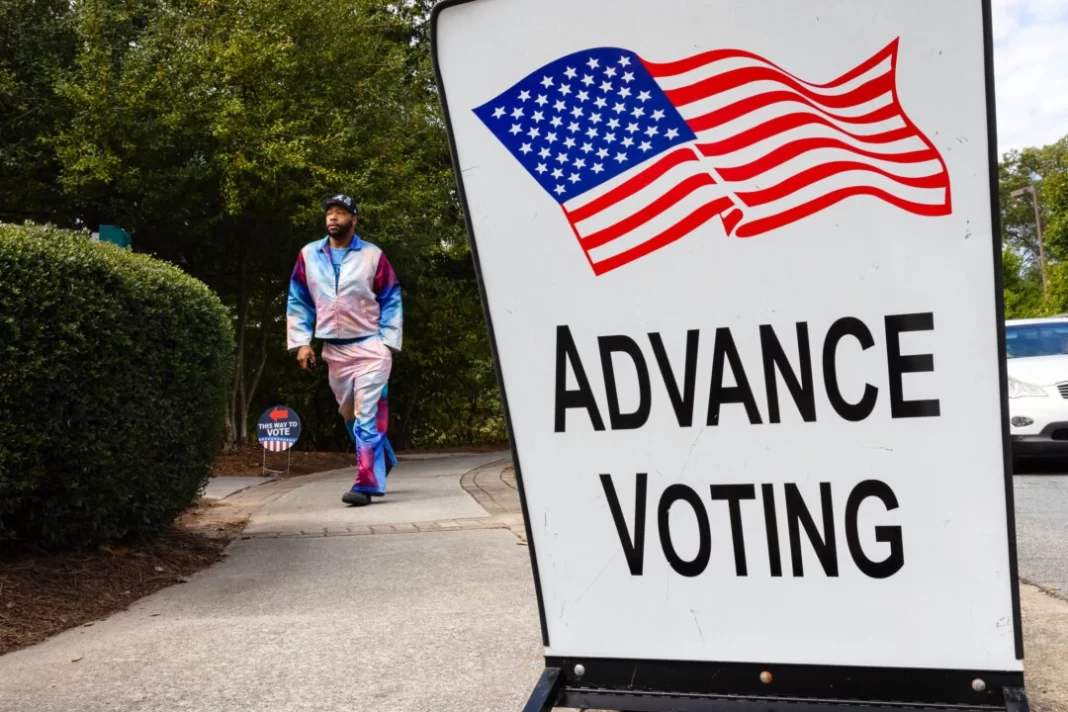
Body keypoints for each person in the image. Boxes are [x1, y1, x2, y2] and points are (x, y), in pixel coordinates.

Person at [287, 194, 402, 506]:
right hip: (334, 351)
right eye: (329, 213)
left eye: (340, 213)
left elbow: (391, 297)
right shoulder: (309, 254)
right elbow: (298, 299)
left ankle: (365, 485)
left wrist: (388, 342)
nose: (332, 218)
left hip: (369, 346)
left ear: (354, 219)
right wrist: (301, 342)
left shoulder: (372, 255)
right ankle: (383, 460)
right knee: (349, 415)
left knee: (367, 414)